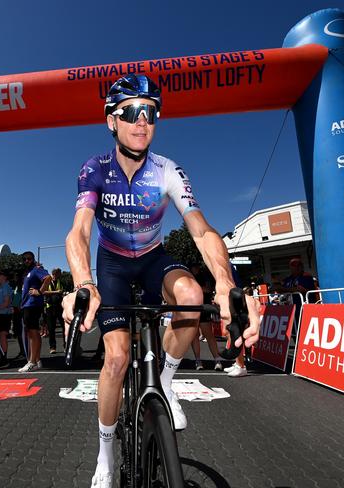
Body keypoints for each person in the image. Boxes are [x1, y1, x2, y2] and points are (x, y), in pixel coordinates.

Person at [62, 74, 260, 487]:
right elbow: (80, 230)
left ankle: (165, 383)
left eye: (150, 113)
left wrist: (225, 282)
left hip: (153, 259)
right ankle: (105, 452)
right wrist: (83, 281)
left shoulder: (168, 170)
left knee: (192, 292)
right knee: (115, 359)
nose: (142, 121)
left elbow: (201, 231)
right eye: (131, 112)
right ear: (111, 121)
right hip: (113, 264)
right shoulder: (95, 168)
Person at [17, 252, 51, 372]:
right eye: (25, 259)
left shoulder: (36, 270)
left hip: (32, 305)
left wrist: (40, 291)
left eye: (29, 259)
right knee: (33, 333)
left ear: (33, 259)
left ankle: (31, 362)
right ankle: (37, 360)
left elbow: (48, 278)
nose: (27, 261)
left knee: (32, 333)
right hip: (27, 305)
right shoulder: (28, 273)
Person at [42, 268, 64, 354]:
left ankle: (65, 345)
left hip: (59, 307)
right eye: (58, 274)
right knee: (51, 329)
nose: (58, 276)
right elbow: (43, 292)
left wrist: (62, 293)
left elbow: (61, 291)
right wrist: (56, 292)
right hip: (50, 307)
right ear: (54, 274)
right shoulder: (47, 281)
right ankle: (52, 347)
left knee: (64, 327)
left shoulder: (60, 282)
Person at [0, 270, 13, 364]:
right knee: (1, 335)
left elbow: (6, 303)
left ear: (5, 277)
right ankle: (2, 354)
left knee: (2, 335)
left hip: (4, 314)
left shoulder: (5, 287)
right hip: (0, 314)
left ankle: (4, 356)